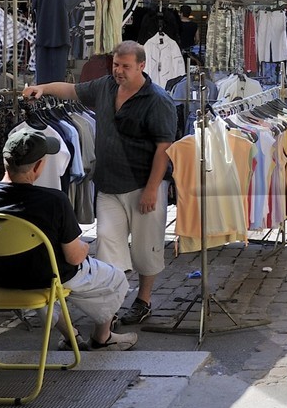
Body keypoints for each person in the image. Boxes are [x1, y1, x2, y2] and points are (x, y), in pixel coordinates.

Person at [25, 40, 177, 327]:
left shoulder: (157, 100)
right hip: (108, 184)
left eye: (125, 67)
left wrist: (151, 189)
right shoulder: (106, 86)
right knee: (108, 245)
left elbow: (163, 148)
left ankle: (144, 300)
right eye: (116, 65)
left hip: (145, 184)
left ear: (141, 66)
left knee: (147, 249)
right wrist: (43, 88)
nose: (119, 71)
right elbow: (71, 91)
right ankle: (112, 304)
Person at [0, 129, 137, 351]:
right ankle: (102, 337)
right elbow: (74, 257)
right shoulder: (53, 201)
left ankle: (71, 336)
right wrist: (85, 247)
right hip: (51, 278)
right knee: (115, 277)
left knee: (38, 286)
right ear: (38, 167)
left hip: (5, 277)